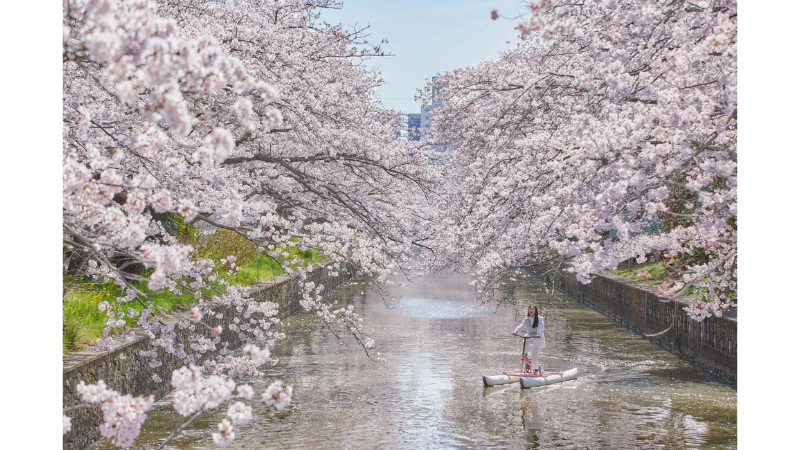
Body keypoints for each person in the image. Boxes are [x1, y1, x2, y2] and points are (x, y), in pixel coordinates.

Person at [512, 305, 546, 373]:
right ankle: (526, 358)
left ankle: (536, 369)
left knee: (534, 351)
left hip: (538, 336)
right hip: (530, 335)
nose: (531, 310)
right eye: (530, 309)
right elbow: (521, 325)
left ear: (535, 311)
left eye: (533, 309)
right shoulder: (526, 319)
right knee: (524, 343)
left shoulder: (540, 318)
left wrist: (538, 334)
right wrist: (515, 331)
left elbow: (540, 327)